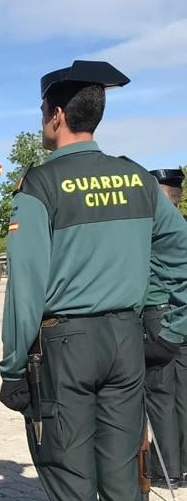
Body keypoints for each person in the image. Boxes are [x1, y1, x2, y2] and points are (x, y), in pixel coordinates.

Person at [0, 60, 187, 501]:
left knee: (69, 475)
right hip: (127, 340)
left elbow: (25, 287)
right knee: (123, 477)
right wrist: (174, 331)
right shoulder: (137, 179)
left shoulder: (40, 185)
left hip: (66, 346)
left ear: (56, 114)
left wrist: (12, 369)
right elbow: (181, 255)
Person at [144, 168, 187, 488]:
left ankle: (166, 469)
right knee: (182, 394)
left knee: (160, 394)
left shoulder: (155, 227)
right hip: (181, 315)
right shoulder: (181, 226)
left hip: (160, 315)